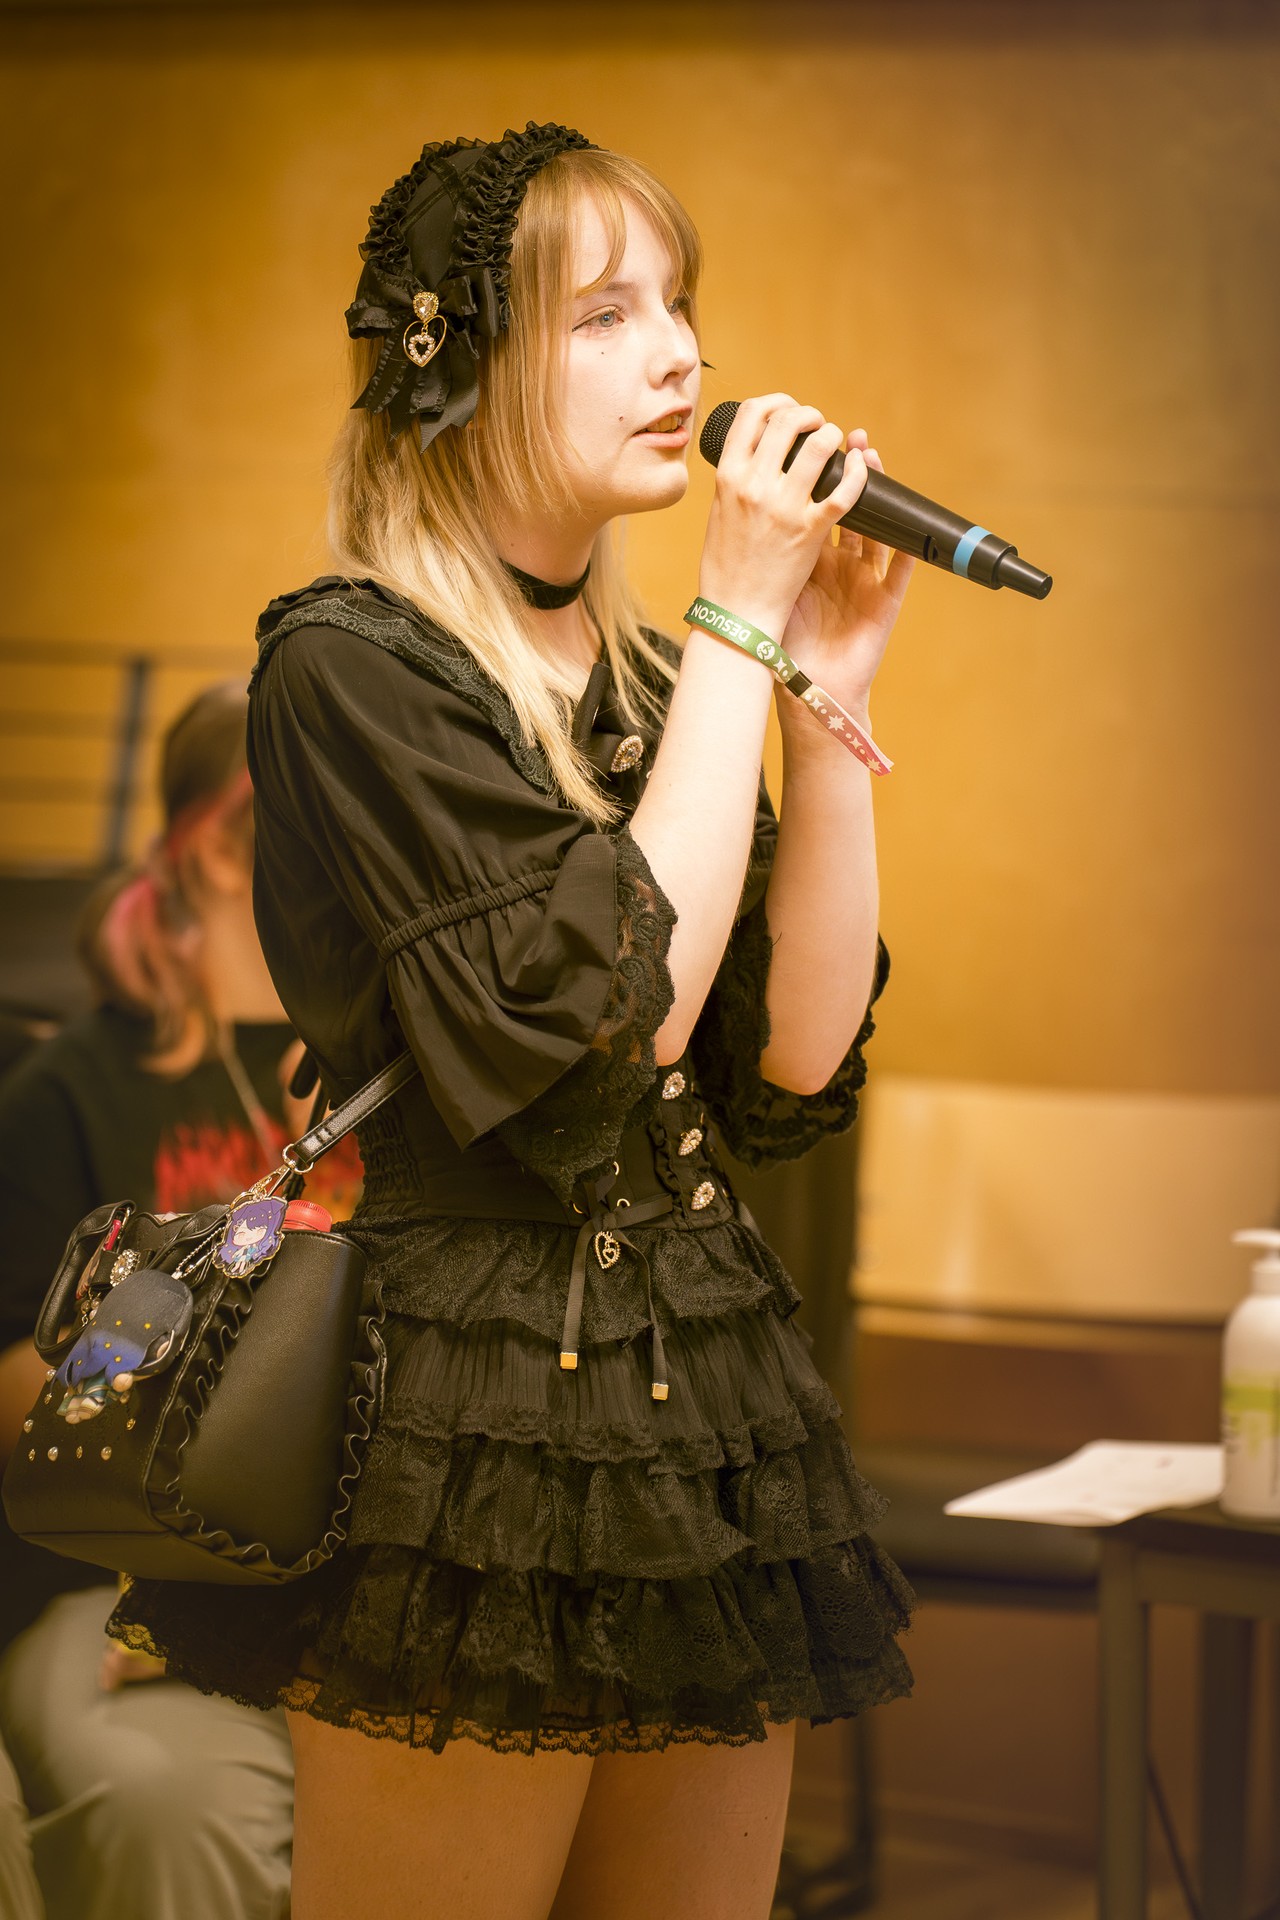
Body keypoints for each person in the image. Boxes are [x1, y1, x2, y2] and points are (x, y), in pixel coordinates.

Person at [106, 124, 916, 1920]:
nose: (681, 358)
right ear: (460, 364)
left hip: (702, 1399)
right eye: (607, 314)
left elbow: (789, 1059)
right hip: (463, 1412)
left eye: (681, 305)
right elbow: (619, 1027)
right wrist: (740, 623)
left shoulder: (661, 680)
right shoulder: (349, 665)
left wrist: (820, 714)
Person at [0, 683, 359, 1920]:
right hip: (119, 1584)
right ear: (219, 849)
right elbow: (29, 1407)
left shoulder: (387, 1066)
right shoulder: (65, 1093)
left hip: (375, 1588)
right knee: (165, 1800)